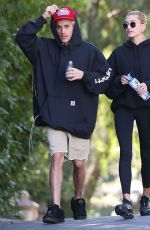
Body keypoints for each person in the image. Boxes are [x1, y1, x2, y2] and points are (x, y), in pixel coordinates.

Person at [16, 4, 112, 224]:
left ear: (74, 26)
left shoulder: (89, 51)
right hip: (53, 114)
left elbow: (106, 78)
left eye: (67, 26)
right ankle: (55, 208)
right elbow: (23, 36)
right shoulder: (43, 48)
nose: (63, 31)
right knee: (57, 157)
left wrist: (84, 75)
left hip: (80, 116)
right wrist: (43, 16)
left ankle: (78, 199)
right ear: (54, 28)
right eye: (58, 27)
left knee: (78, 163)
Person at [106, 10, 150, 219]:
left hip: (147, 108)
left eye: (132, 24)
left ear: (143, 26)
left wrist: (147, 85)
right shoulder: (117, 53)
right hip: (123, 106)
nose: (128, 28)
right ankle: (125, 201)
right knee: (125, 152)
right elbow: (106, 83)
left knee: (148, 152)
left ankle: (146, 199)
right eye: (125, 25)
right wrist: (118, 81)